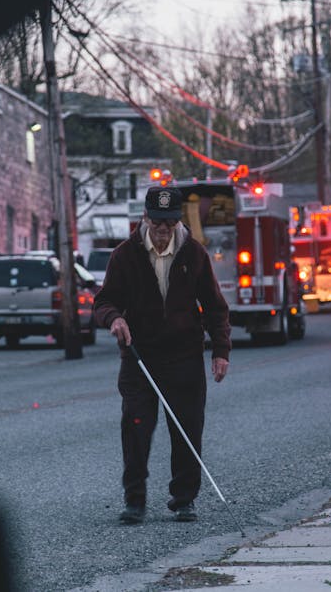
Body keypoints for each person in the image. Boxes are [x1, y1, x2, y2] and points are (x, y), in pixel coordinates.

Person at [94, 185, 231, 525]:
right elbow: (103, 302)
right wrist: (115, 318)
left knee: (187, 429)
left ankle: (184, 499)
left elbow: (215, 307)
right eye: (157, 222)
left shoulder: (193, 253)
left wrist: (221, 350)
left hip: (184, 357)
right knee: (136, 428)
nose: (162, 230)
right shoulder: (125, 255)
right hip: (140, 357)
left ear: (177, 222)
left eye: (169, 223)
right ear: (145, 218)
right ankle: (135, 500)